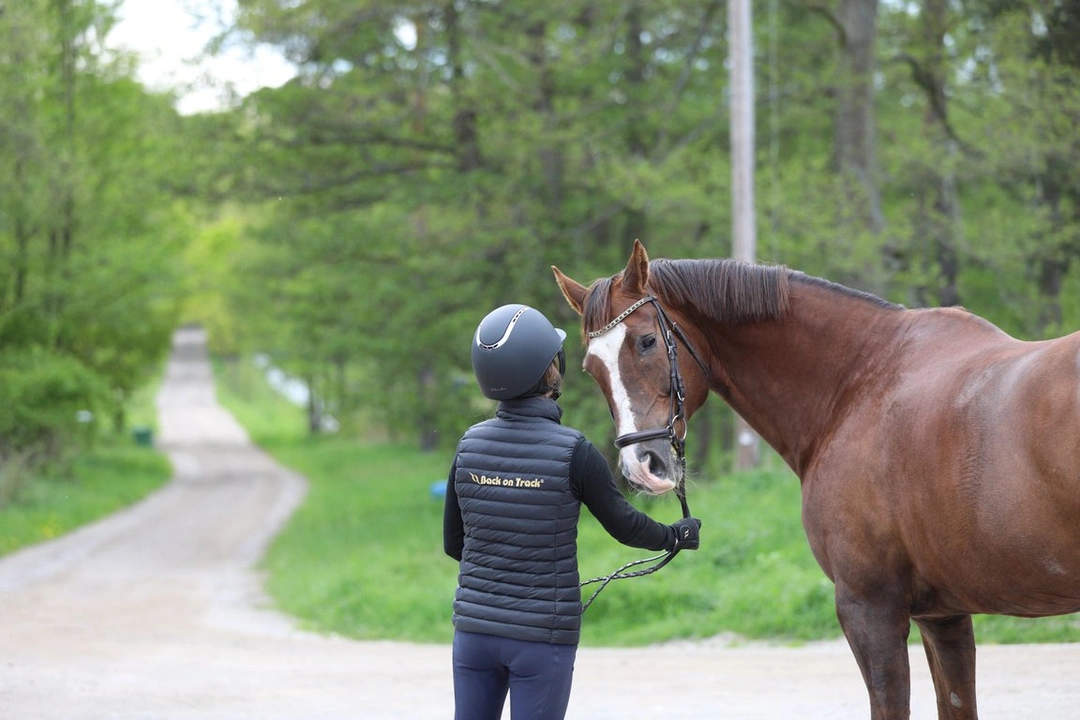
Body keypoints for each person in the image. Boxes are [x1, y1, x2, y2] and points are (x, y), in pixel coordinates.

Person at [443, 303, 702, 720]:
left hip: (473, 633)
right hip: (542, 640)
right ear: (550, 369)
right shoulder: (573, 451)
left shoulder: (468, 445)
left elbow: (454, 543)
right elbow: (624, 525)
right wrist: (675, 536)